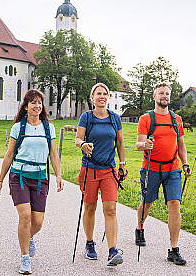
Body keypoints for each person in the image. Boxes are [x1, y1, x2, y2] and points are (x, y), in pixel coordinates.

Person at [0, 89, 64, 275]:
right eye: (32, 102)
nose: (37, 106)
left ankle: (28, 237)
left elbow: (53, 154)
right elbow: (9, 154)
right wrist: (0, 180)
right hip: (20, 176)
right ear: (26, 107)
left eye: (39, 102)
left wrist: (58, 175)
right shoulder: (18, 127)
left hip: (41, 178)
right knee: (25, 216)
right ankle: (25, 258)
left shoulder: (49, 128)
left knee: (38, 222)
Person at [134, 82, 192, 266]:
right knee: (147, 202)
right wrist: (145, 145)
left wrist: (185, 164)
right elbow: (138, 144)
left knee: (174, 204)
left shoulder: (177, 120)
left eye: (167, 93)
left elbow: (180, 144)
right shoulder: (146, 119)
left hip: (173, 168)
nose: (164, 96)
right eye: (161, 93)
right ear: (154, 96)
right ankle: (140, 228)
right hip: (151, 167)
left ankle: (174, 249)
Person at [75, 83, 127, 266]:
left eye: (105, 94)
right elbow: (78, 138)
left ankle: (113, 251)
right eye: (99, 93)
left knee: (111, 209)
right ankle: (89, 243)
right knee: (90, 207)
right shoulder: (86, 117)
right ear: (93, 97)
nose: (102, 96)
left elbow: (120, 142)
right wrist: (83, 145)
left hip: (109, 170)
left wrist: (122, 164)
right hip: (89, 169)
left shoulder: (115, 118)